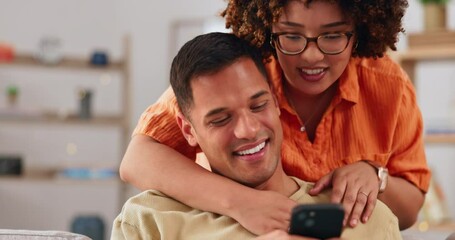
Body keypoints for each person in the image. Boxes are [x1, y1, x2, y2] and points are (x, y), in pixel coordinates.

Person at [119, 0, 431, 233]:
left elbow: (407, 211)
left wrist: (375, 177)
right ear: (268, 28)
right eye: (291, 36)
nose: (311, 55)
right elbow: (138, 158)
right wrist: (240, 203)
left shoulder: (388, 87)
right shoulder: (240, 74)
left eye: (333, 36)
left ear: (360, 31)